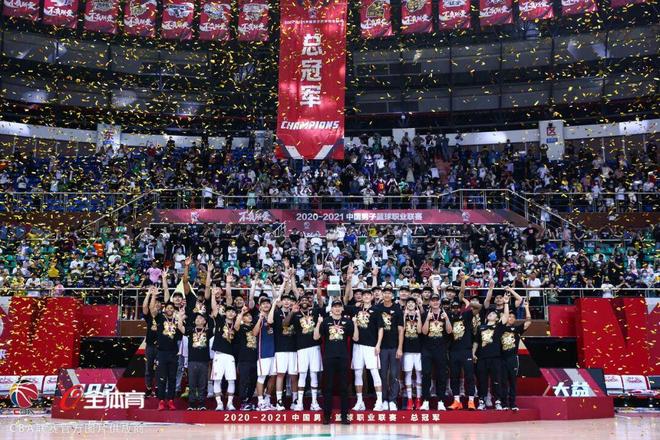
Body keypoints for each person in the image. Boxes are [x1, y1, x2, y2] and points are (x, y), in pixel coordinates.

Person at [314, 299, 358, 425]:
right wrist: (318, 323)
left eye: (339, 306)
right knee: (328, 387)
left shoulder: (347, 322)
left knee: (344, 387)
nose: (337, 309)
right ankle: (327, 416)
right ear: (331, 308)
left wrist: (355, 324)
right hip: (329, 357)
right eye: (335, 306)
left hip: (343, 357)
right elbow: (316, 337)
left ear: (342, 308)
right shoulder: (326, 321)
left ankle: (344, 416)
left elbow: (356, 338)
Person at [346, 286, 385, 411]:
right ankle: (359, 401)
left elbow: (381, 328)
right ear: (361, 297)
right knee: (358, 372)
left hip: (371, 346)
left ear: (372, 297)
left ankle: (379, 401)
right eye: (364, 295)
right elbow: (344, 302)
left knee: (374, 372)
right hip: (357, 346)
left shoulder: (376, 310)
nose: (366, 296)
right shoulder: (356, 309)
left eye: (369, 294)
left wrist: (378, 344)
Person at [473, 292, 510, 410]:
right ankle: (482, 401)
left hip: (495, 357)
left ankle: (498, 401)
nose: (491, 314)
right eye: (490, 313)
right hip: (482, 357)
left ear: (497, 318)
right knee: (482, 380)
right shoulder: (481, 327)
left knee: (496, 380)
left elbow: (506, 316)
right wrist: (473, 353)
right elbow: (476, 342)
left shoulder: (498, 327)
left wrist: (506, 303)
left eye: (494, 314)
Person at [419, 293, 453, 410]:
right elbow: (424, 332)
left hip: (441, 348)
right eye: (433, 300)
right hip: (427, 348)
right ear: (429, 302)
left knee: (441, 375)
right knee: (426, 374)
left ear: (439, 302)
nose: (435, 302)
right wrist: (427, 319)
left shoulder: (445, 314)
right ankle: (425, 400)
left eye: (437, 300)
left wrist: (447, 318)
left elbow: (449, 331)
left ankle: (441, 401)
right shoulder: (425, 314)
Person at [150, 292, 182, 411]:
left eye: (171, 308)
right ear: (165, 309)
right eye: (168, 308)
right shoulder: (160, 318)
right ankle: (161, 401)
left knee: (172, 378)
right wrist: (153, 296)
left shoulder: (177, 320)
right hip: (162, 353)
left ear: (174, 310)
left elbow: (182, 333)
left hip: (173, 353)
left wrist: (181, 318)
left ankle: (171, 400)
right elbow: (152, 309)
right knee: (161, 378)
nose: (169, 309)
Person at [291, 292, 323, 411]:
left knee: (314, 374)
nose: (304, 301)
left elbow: (321, 303)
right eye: (302, 300)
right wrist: (292, 312)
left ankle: (314, 402)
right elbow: (285, 324)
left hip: (315, 346)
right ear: (299, 302)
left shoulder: (315, 312)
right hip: (301, 348)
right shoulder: (296, 314)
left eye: (306, 300)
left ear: (310, 302)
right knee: (303, 374)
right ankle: (299, 402)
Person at [500, 291, 532, 410]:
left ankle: (513, 404)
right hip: (501, 358)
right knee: (503, 382)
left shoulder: (517, 329)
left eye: (513, 317)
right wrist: (506, 303)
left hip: (513, 358)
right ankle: (504, 404)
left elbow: (528, 323)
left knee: (513, 382)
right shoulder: (500, 328)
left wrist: (526, 308)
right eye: (509, 316)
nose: (511, 318)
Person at [375, 286, 403, 410]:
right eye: (385, 293)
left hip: (394, 346)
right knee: (382, 374)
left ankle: (393, 400)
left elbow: (401, 330)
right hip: (381, 347)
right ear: (382, 294)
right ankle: (384, 399)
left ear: (392, 295)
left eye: (389, 293)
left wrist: (400, 348)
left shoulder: (397, 309)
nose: (387, 295)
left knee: (394, 374)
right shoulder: (377, 308)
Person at [178, 312, 213, 410]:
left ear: (205, 321)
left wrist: (214, 317)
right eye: (197, 318)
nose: (198, 319)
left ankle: (202, 404)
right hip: (192, 360)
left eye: (201, 318)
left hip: (204, 361)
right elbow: (180, 327)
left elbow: (217, 328)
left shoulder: (208, 331)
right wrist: (180, 317)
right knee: (192, 383)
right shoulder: (190, 330)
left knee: (202, 384)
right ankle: (192, 404)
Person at [270, 292, 299, 410]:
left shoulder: (297, 314)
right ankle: (279, 401)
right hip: (280, 349)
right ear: (281, 302)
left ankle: (295, 400)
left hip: (293, 349)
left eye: (289, 300)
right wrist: (292, 312)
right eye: (285, 299)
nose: (287, 302)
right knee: (280, 374)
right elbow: (284, 323)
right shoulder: (277, 313)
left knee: (294, 375)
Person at [210, 290, 237, 411]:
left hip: (230, 356)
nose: (231, 313)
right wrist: (213, 295)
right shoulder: (220, 320)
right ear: (225, 313)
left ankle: (230, 403)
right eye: (228, 311)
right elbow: (214, 308)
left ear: (235, 314)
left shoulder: (236, 325)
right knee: (217, 379)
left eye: (233, 311)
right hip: (219, 355)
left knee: (231, 380)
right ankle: (219, 403)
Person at [447, 299, 476, 410]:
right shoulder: (448, 318)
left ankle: (471, 401)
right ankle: (457, 401)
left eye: (457, 307)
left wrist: (464, 299)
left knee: (469, 376)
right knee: (454, 376)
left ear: (461, 308)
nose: (456, 309)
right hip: (453, 351)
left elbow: (479, 307)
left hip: (466, 350)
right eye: (453, 308)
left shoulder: (466, 316)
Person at [234, 304, 258, 411]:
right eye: (247, 316)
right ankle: (243, 402)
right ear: (243, 318)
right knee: (244, 381)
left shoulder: (254, 327)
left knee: (253, 381)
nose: (249, 317)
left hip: (255, 358)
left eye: (250, 315)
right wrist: (242, 313)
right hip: (244, 359)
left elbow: (256, 333)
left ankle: (249, 400)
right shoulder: (241, 327)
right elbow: (236, 326)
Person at [255, 295, 277, 410]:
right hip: (263, 352)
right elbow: (254, 333)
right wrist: (260, 319)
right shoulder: (257, 317)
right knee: (262, 377)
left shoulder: (274, 316)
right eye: (263, 303)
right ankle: (260, 401)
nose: (266, 305)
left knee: (273, 376)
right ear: (260, 306)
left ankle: (267, 400)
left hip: (275, 352)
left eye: (268, 303)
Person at [401, 297, 423, 410]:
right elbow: (402, 330)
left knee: (419, 373)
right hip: (407, 350)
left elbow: (419, 331)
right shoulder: (403, 316)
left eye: (412, 303)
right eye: (408, 303)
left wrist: (419, 317)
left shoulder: (419, 315)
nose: (410, 304)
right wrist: (404, 316)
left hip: (418, 350)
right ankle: (410, 400)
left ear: (415, 305)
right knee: (408, 374)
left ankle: (418, 399)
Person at [142, 286, 160, 398]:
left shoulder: (162, 317)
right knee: (149, 368)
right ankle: (149, 388)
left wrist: (154, 296)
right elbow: (145, 306)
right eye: (155, 303)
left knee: (159, 369)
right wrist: (149, 294)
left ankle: (158, 388)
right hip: (149, 346)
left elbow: (152, 308)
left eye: (158, 304)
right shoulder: (149, 317)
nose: (156, 305)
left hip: (160, 347)